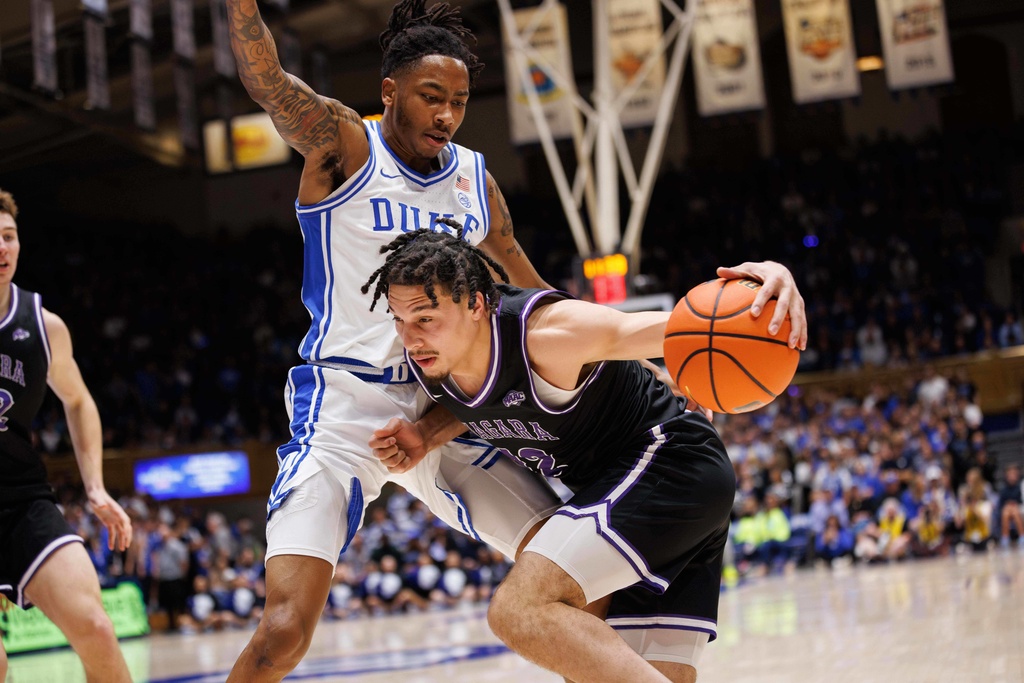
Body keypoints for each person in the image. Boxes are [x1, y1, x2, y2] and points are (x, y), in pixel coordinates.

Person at [225, 0, 807, 678]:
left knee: (573, 591)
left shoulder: (472, 180)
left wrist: (655, 355)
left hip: (451, 404)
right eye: (429, 97)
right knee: (285, 630)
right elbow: (266, 78)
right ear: (390, 93)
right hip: (346, 403)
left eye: (460, 101)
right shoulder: (345, 145)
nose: (445, 115)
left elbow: (539, 302)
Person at [365, 227, 767, 683]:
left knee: (519, 610)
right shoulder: (438, 358)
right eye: (399, 320)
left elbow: (693, 326)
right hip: (642, 500)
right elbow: (481, 401)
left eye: (424, 317)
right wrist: (424, 433)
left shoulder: (549, 334)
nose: (410, 337)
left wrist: (769, 278)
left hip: (669, 464)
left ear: (476, 304)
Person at [0, 188, 133, 682]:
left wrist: (95, 486)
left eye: (9, 237)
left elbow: (77, 400)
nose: (3, 249)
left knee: (96, 627)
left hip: (22, 499)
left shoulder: (42, 324)